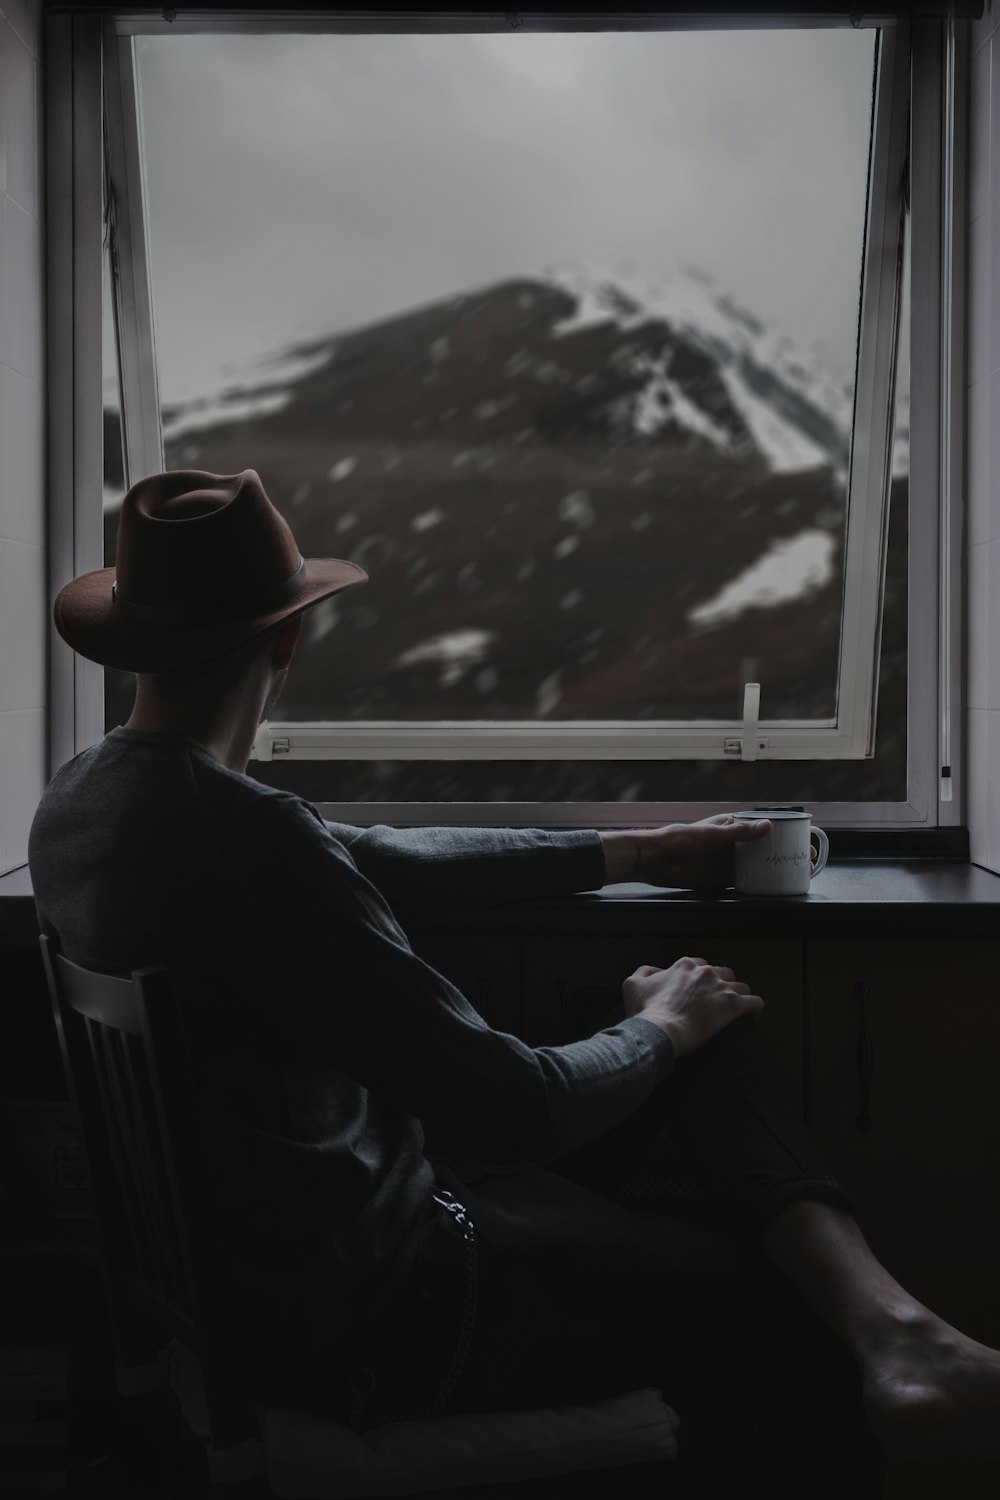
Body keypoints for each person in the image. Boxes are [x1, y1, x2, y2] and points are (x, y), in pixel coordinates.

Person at [29, 469, 1000, 1496]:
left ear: (133, 647)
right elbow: (515, 1108)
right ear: (286, 644)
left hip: (272, 1288)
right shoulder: (249, 839)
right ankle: (877, 1336)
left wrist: (641, 853)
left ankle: (893, 1326)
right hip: (387, 1315)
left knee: (660, 1022)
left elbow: (377, 855)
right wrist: (666, 1027)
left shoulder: (88, 801)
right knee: (766, 1293)